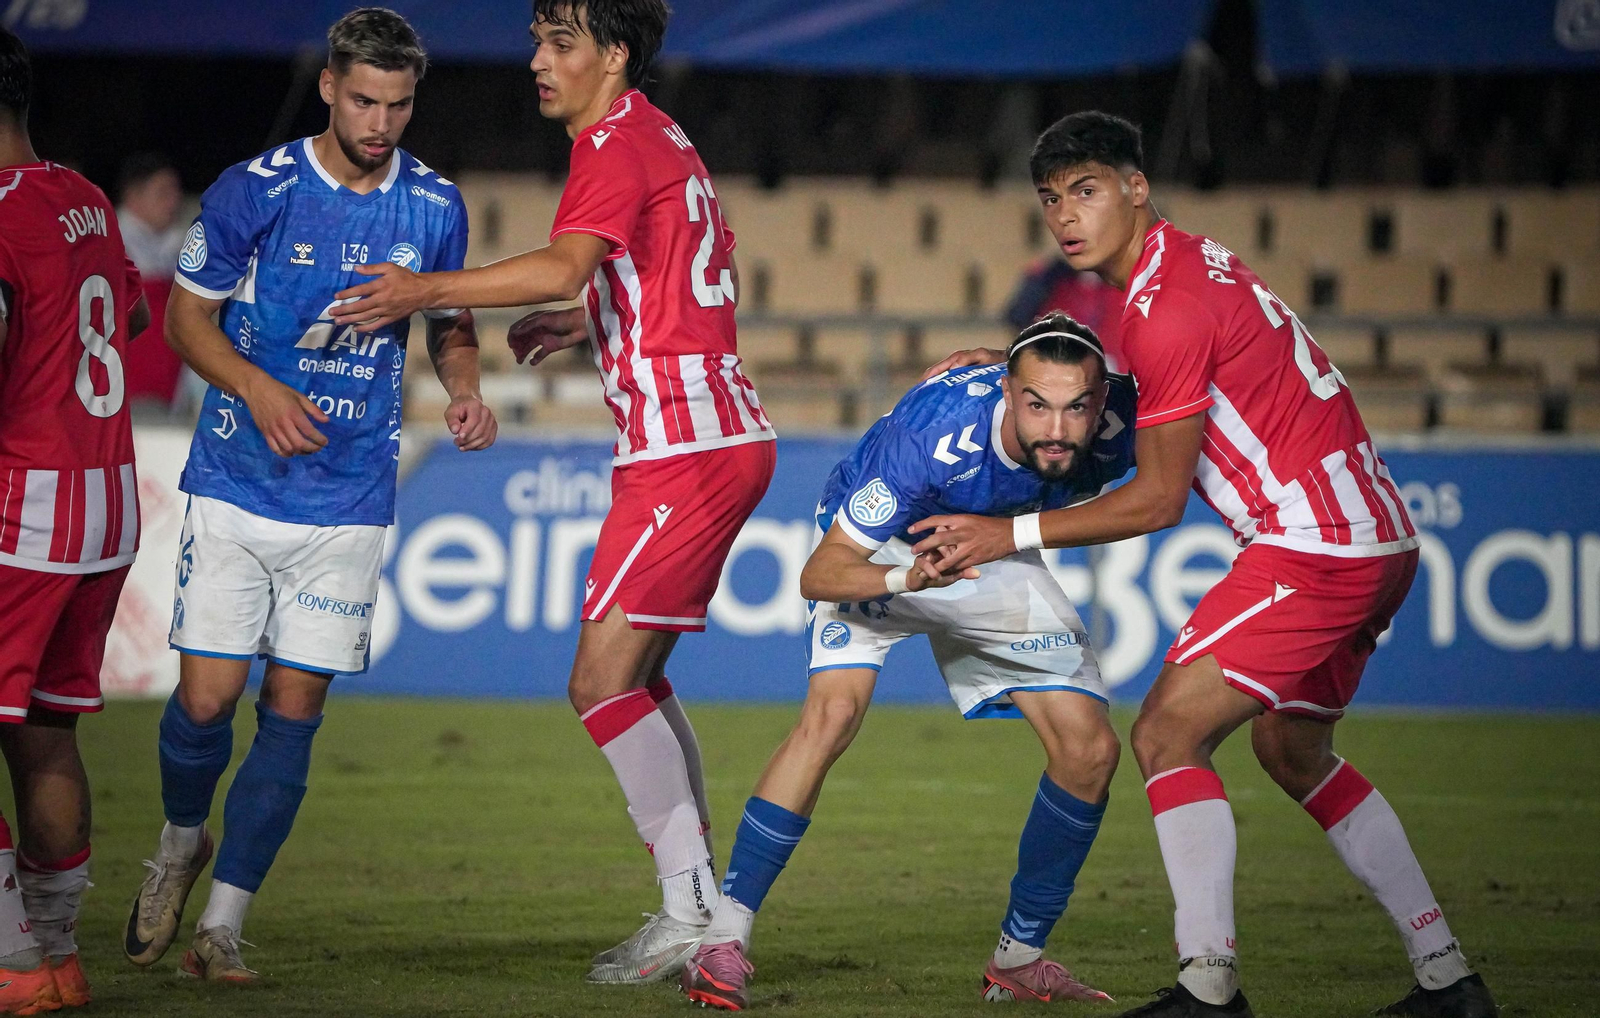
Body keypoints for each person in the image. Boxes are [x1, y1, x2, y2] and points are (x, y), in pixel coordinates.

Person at [916, 112, 1496, 1018]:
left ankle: (1208, 985)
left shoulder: (1163, 305)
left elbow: (1154, 500)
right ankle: (1447, 976)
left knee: (1163, 736)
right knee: (1293, 750)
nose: (1067, 215)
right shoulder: (1186, 265)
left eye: (1088, 189)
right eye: (1052, 198)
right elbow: (1146, 377)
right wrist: (1014, 362)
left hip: (1314, 543)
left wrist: (1007, 535)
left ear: (1137, 188)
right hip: (1377, 532)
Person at [329, 0, 775, 985]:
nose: (537, 60)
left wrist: (421, 290)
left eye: (560, 42)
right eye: (537, 40)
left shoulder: (613, 143)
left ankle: (693, 908)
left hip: (685, 449)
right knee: (637, 681)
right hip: (708, 439)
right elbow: (687, 271)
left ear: (612, 56)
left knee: (597, 682)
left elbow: (569, 258)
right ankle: (695, 897)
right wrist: (592, 320)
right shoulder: (659, 131)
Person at [123, 8, 497, 983]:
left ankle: (224, 929)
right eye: (365, 100)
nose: (381, 121)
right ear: (330, 87)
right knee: (206, 703)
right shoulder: (259, 190)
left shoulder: (433, 206)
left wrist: (463, 390)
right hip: (241, 480)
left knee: (293, 711)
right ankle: (177, 843)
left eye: (400, 104)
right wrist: (256, 383)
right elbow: (184, 319)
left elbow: (451, 321)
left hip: (349, 492)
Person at [680, 314, 1134, 1011]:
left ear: (1102, 401)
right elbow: (820, 573)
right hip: (882, 555)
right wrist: (908, 580)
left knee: (1091, 749)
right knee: (830, 717)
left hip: (993, 551)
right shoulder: (930, 440)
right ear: (1006, 394)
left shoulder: (1124, 417)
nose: (1058, 427)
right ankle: (724, 938)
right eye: (1037, 403)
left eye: (1077, 407)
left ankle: (1020, 957)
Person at [0, 25, 151, 1014]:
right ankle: (56, 957)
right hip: (104, 506)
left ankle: (13, 960)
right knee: (48, 736)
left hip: (26, 507)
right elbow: (128, 318)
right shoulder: (83, 197)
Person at [114, 154, 189, 410]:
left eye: (176, 192)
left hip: (170, 393)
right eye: (163, 192)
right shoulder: (106, 242)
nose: (174, 201)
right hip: (126, 392)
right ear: (133, 197)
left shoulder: (178, 242)